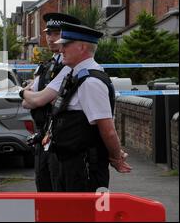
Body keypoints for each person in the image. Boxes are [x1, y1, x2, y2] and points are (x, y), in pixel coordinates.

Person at [44, 22, 131, 192]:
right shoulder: (77, 75)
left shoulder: (91, 82)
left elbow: (108, 130)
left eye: (66, 45)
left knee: (87, 214)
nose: (61, 50)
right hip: (71, 163)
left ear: (82, 47)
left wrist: (115, 158)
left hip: (85, 167)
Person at [23, 13, 81, 192]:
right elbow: (27, 103)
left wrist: (26, 94)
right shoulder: (46, 65)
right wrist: (30, 96)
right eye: (48, 33)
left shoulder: (70, 67)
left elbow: (37, 99)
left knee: (59, 191)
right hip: (43, 135)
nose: (50, 38)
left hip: (60, 138)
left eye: (56, 33)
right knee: (43, 187)